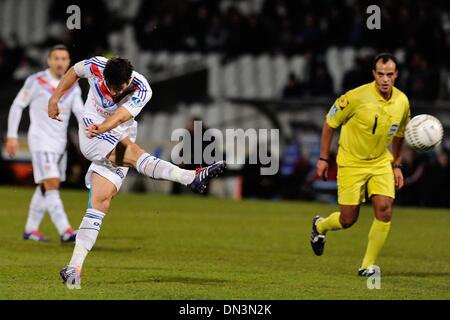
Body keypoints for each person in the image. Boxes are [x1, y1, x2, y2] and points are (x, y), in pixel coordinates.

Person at [48, 56, 226, 288]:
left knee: (100, 203)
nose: (112, 92)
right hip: (91, 131)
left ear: (128, 81)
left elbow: (123, 115)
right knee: (133, 152)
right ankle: (190, 177)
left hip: (116, 129)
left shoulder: (142, 87)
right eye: (109, 86)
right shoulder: (97, 66)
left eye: (117, 89)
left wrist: (106, 126)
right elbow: (73, 71)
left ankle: (74, 268)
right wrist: (55, 97)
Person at [310, 53, 410, 277]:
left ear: (396, 75)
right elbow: (329, 124)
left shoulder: (402, 101)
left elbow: (401, 134)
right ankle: (320, 226)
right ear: (374, 74)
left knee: (384, 209)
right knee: (348, 219)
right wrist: (323, 158)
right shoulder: (354, 98)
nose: (385, 79)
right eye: (381, 74)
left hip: (380, 162)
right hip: (350, 163)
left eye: (390, 74)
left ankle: (367, 265)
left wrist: (397, 165)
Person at [6, 45, 83, 242]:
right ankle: (65, 230)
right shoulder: (36, 81)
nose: (60, 62)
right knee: (52, 183)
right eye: (56, 58)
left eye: (64, 59)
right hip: (41, 140)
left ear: (69, 62)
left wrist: (93, 129)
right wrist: (12, 136)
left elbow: (80, 112)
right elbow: (17, 105)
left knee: (45, 185)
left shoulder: (72, 85)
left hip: (60, 143)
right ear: (49, 61)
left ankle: (31, 229)